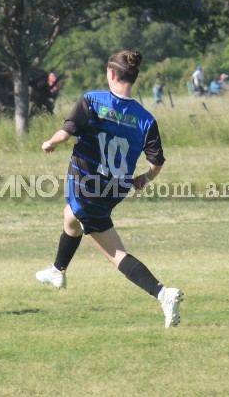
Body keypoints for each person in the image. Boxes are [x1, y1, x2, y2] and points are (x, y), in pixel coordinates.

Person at [35, 50, 183, 328]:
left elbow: (65, 133)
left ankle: (163, 293)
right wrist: (144, 179)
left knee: (115, 254)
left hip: (87, 187)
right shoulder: (146, 118)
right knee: (71, 216)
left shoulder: (92, 100)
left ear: (111, 73)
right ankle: (57, 270)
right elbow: (157, 162)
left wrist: (50, 142)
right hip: (113, 190)